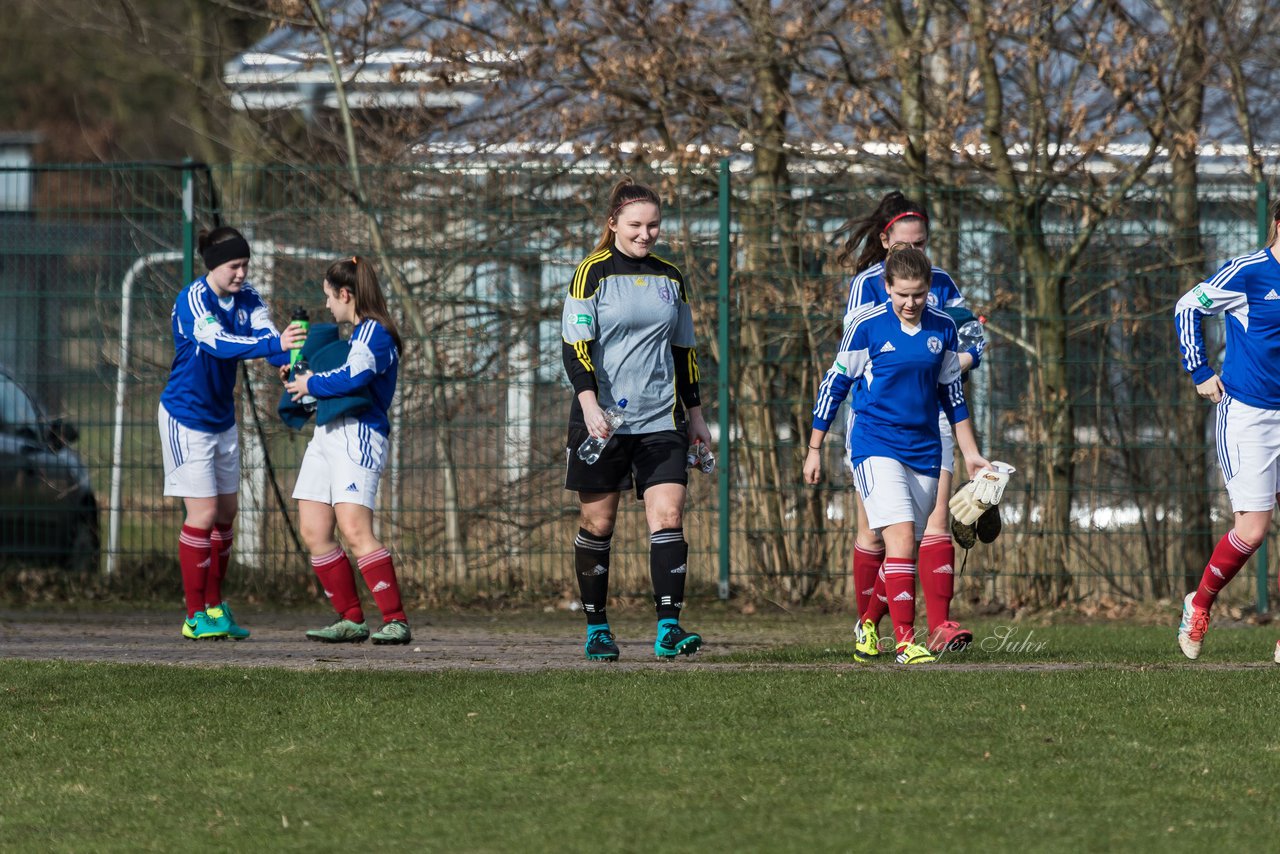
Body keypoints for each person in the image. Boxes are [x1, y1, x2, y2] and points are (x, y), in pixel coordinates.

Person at [804, 246, 990, 665]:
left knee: (905, 546)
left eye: (919, 294)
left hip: (923, 448)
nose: (910, 303)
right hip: (875, 444)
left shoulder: (942, 327)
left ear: (929, 291)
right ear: (886, 287)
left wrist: (971, 453)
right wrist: (814, 448)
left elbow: (951, 393)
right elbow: (835, 385)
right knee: (902, 538)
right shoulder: (866, 327)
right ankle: (906, 641)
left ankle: (868, 626)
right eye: (902, 294)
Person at [561, 178, 713, 661]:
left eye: (653, 225)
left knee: (668, 516)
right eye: (635, 225)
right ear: (613, 225)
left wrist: (697, 417)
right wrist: (588, 405)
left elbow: (684, 351)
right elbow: (574, 346)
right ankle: (597, 628)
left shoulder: (671, 276)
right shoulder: (591, 272)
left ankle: (668, 627)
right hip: (602, 420)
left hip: (661, 419)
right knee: (598, 523)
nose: (645, 234)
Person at [159, 225, 306, 640]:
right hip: (185, 417)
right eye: (233, 266)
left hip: (222, 417)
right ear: (213, 266)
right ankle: (192, 616)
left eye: (245, 265)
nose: (241, 273)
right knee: (202, 514)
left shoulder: (249, 297)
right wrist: (271, 344)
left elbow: (264, 335)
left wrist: (284, 355)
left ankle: (213, 606)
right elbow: (219, 343)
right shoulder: (193, 300)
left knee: (226, 515)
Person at [284, 256, 411, 645]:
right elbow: (329, 382)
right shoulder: (356, 333)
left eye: (329, 297)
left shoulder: (375, 332)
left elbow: (355, 377)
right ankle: (351, 619)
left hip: (358, 434)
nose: (327, 306)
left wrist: (312, 382)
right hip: (327, 435)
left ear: (346, 293)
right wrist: (298, 383)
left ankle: (395, 619)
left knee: (355, 530)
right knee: (314, 529)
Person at [1173, 201, 1280, 661]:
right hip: (1249, 415)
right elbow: (1186, 306)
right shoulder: (1248, 271)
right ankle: (1198, 604)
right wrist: (1198, 369)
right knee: (1253, 531)